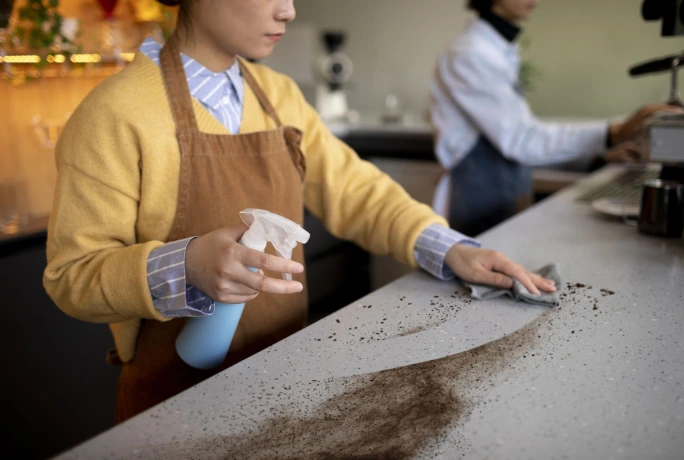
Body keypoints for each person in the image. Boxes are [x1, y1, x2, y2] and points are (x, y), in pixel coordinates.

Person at [43, 0, 556, 423]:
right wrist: (187, 265)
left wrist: (450, 248)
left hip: (280, 388)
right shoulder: (114, 113)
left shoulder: (279, 96)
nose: (288, 10)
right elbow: (72, 276)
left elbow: (357, 190)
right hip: (171, 407)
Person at [431, 0, 680, 236]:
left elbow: (522, 141)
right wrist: (613, 132)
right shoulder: (469, 53)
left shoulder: (500, 47)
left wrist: (599, 157)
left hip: (504, 194)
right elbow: (523, 141)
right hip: (475, 200)